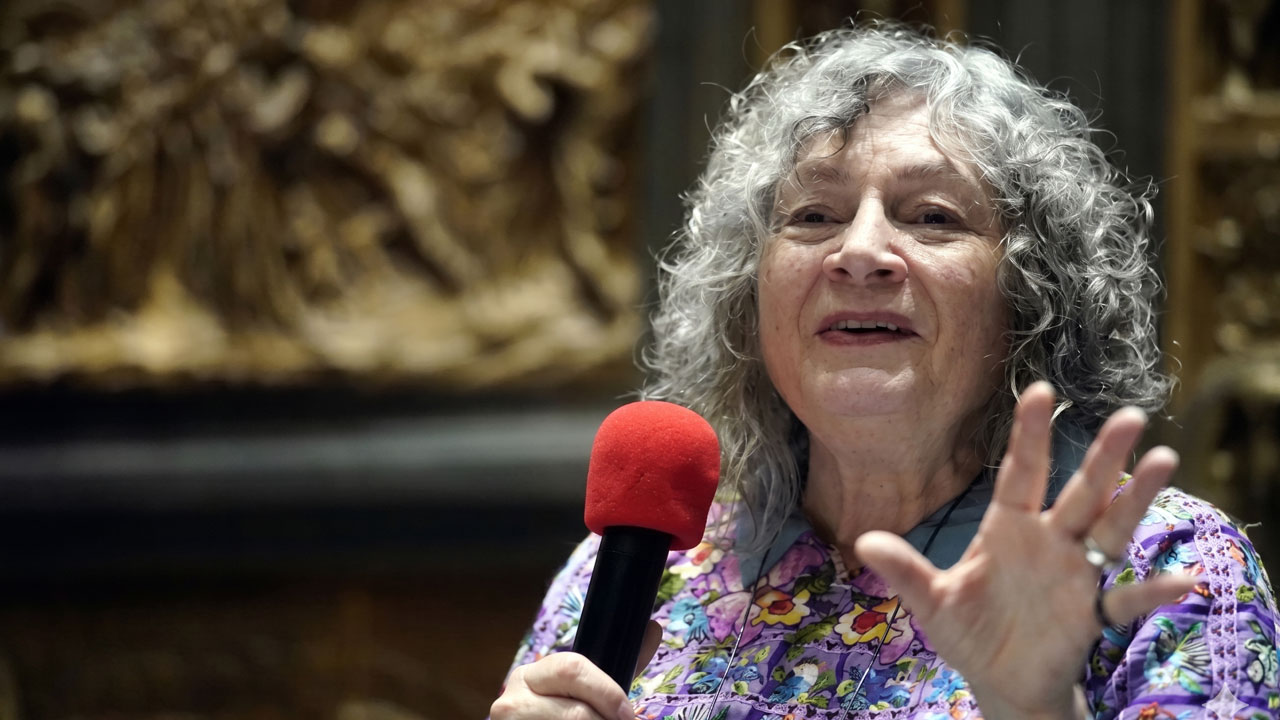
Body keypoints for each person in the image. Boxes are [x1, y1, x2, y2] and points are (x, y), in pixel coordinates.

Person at [490, 24, 1280, 720]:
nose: (859, 251)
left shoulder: (1160, 564)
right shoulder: (640, 570)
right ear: (748, 293)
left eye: (932, 216)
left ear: (1035, 294)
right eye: (813, 217)